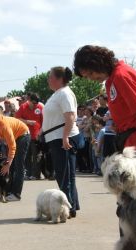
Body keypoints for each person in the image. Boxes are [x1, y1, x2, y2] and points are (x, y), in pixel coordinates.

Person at [73, 45, 136, 168]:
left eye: (91, 73)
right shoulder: (112, 79)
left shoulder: (122, 75)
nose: (91, 78)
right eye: (87, 76)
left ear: (98, 63)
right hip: (130, 142)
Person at [42, 66, 82, 217]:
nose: (48, 79)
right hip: (56, 137)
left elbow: (70, 116)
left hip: (63, 138)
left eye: (50, 76)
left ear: (59, 79)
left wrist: (65, 137)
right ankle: (72, 206)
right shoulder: (58, 94)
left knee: (64, 175)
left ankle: (67, 208)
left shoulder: (64, 93)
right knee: (66, 175)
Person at [0, 107, 30, 201]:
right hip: (15, 137)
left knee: (18, 166)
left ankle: (16, 194)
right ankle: (8, 192)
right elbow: (0, 135)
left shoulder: (4, 125)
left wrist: (8, 163)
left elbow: (13, 146)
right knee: (10, 168)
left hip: (23, 136)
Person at [15, 92, 43, 180]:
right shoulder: (23, 107)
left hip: (36, 135)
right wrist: (28, 122)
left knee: (36, 156)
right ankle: (28, 173)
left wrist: (40, 132)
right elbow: (17, 118)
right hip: (25, 135)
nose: (35, 105)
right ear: (29, 101)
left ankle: (36, 174)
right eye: (33, 103)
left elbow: (44, 121)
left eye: (36, 103)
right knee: (26, 155)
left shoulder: (40, 107)